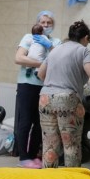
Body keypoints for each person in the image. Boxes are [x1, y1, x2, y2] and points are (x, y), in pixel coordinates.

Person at [37, 20, 90, 168]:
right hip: (67, 100)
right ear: (86, 38)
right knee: (71, 145)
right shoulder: (83, 50)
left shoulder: (55, 50)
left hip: (45, 98)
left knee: (49, 145)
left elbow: (41, 74)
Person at [13, 11, 59, 168]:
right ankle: (24, 158)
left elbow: (59, 60)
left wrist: (50, 46)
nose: (45, 25)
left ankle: (33, 156)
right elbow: (18, 58)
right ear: (37, 24)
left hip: (45, 86)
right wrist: (42, 64)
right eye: (42, 22)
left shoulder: (56, 42)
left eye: (49, 23)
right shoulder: (28, 38)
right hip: (27, 84)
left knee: (40, 123)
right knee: (25, 121)